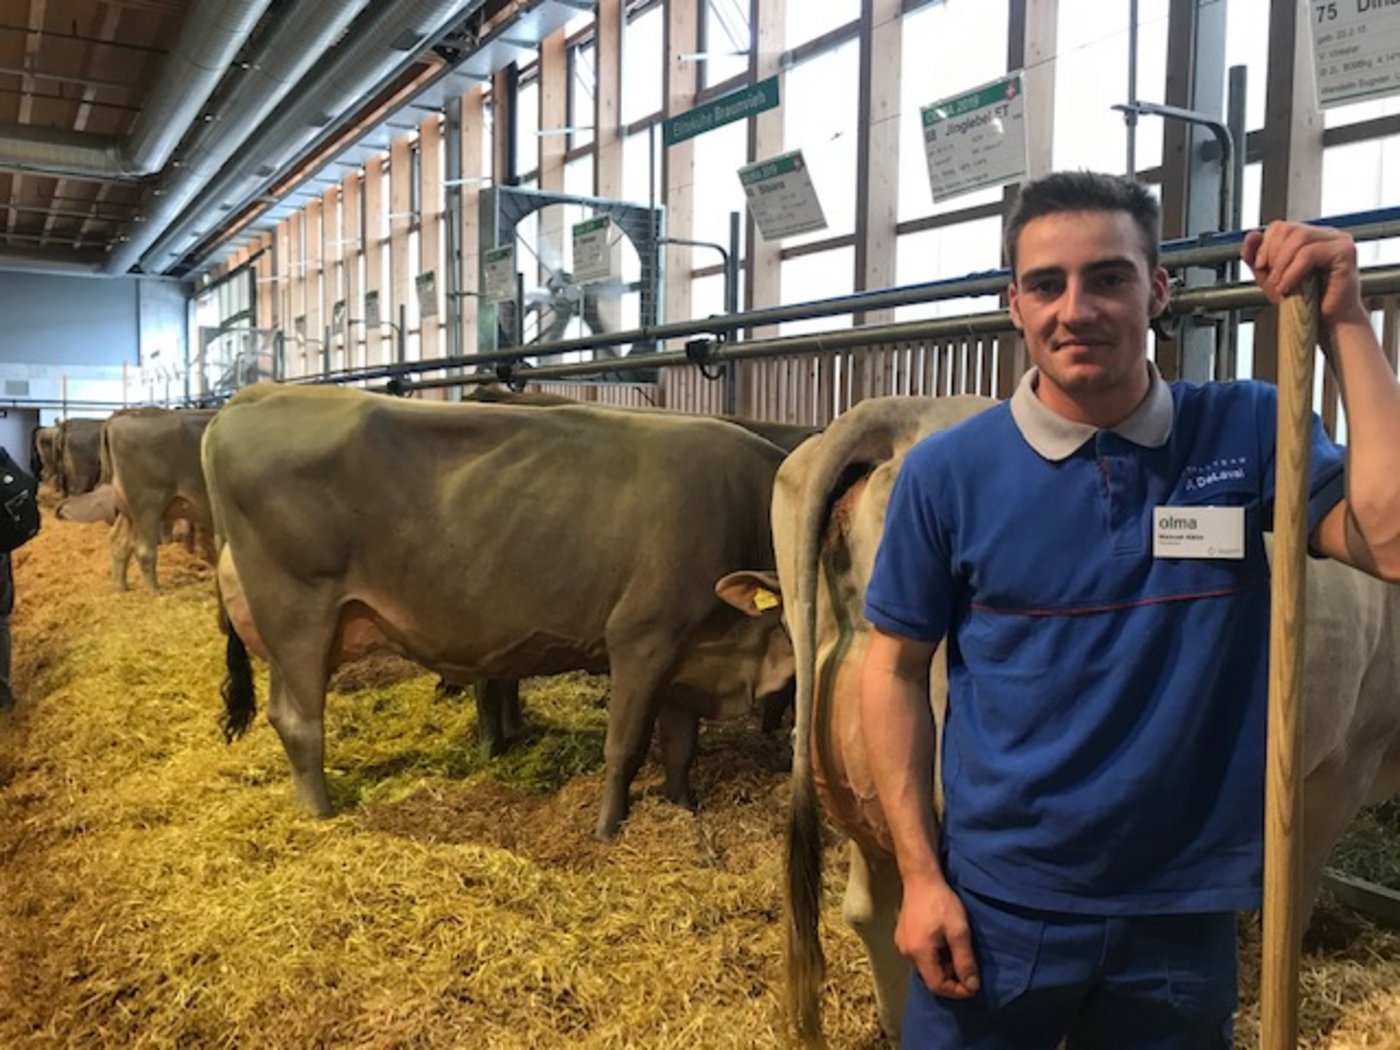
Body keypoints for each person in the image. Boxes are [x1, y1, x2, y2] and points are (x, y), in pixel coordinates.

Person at [859, 171, 1400, 1048]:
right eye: (1046, 284)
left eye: (1108, 278)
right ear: (1015, 304)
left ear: (1157, 291)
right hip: (998, 906)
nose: (1076, 310)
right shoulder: (946, 474)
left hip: (1181, 915)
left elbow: (1392, 539)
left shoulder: (1244, 431)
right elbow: (891, 672)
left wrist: (1346, 320)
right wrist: (920, 878)